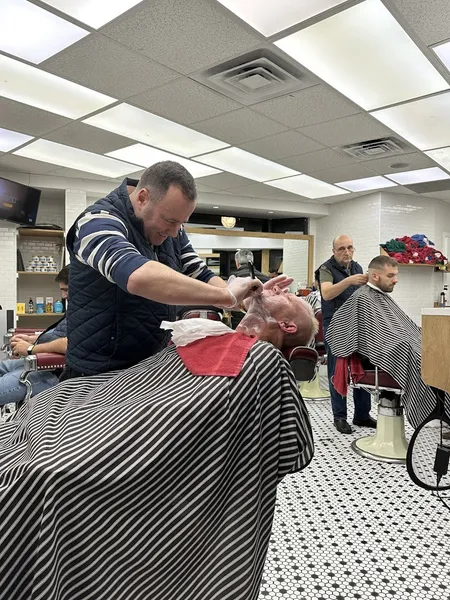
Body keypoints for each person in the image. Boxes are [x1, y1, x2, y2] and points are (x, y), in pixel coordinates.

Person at [0, 277, 315, 600]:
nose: (278, 289)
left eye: (286, 296)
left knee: (44, 471)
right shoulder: (211, 333)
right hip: (107, 404)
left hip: (139, 432)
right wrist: (237, 294)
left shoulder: (263, 361)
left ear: (288, 326)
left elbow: (286, 445)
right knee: (49, 403)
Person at [64, 161, 261, 378]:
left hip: (148, 365)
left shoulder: (172, 229)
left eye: (181, 223)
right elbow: (137, 276)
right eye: (170, 221)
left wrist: (243, 300)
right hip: (97, 373)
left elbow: (199, 273)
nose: (176, 232)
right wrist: (225, 296)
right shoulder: (98, 222)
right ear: (142, 198)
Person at [325, 255, 450, 429]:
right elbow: (337, 330)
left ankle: (442, 410)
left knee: (436, 353)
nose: (396, 280)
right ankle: (431, 412)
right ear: (375, 276)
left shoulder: (380, 296)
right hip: (378, 358)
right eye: (390, 276)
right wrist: (406, 343)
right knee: (414, 353)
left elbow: (402, 327)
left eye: (396, 275)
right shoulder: (362, 297)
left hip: (396, 346)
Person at [318, 235, 375, 434]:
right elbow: (326, 293)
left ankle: (362, 414)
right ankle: (339, 417)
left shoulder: (357, 267)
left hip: (357, 325)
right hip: (335, 326)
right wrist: (349, 281)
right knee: (338, 370)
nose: (346, 252)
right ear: (334, 251)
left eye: (350, 247)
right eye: (341, 248)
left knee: (361, 368)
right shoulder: (326, 269)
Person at [0, 266, 69, 405]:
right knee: (2, 366)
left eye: (66, 290)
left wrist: (31, 349)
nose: (63, 296)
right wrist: (32, 339)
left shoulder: (90, 313)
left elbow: (71, 343)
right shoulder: (76, 309)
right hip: (38, 360)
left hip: (52, 370)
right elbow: (57, 335)